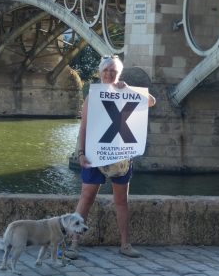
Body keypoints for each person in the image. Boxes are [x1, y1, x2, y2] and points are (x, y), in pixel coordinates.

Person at [65, 55, 156, 260]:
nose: (109, 74)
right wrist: (80, 153)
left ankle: (125, 244)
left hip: (120, 155)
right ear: (100, 72)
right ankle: (73, 244)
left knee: (121, 200)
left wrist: (128, 89)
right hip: (94, 153)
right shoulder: (93, 95)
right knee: (86, 197)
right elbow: (84, 127)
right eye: (106, 70)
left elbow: (151, 102)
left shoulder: (126, 93)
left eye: (113, 71)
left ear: (118, 73)